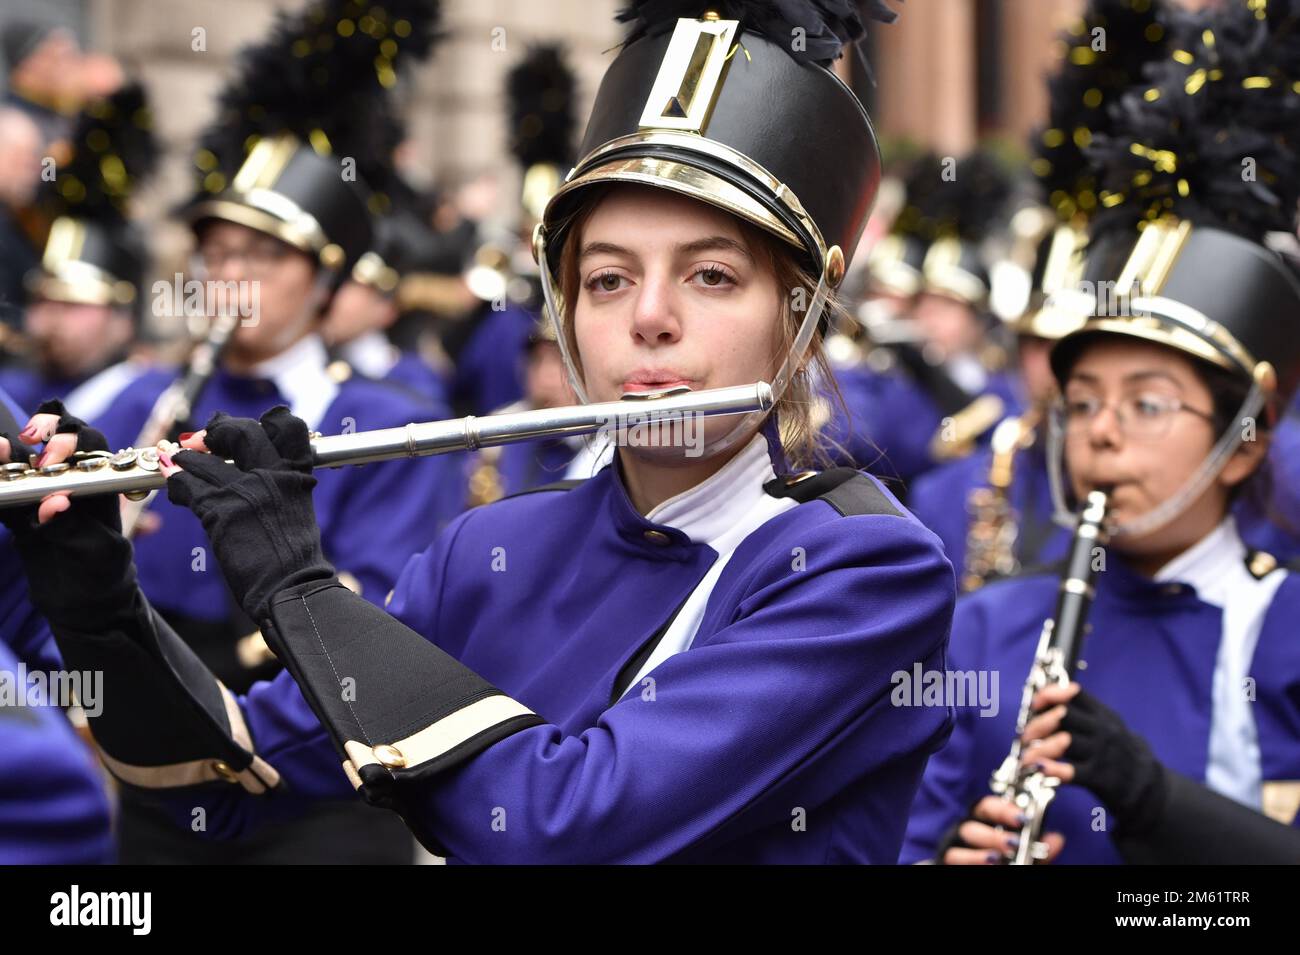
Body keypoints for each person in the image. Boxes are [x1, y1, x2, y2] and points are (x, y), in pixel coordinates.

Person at [0, 1, 961, 865]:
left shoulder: (862, 569)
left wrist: (299, 591)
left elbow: (565, 826)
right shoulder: (496, 547)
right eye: (608, 278)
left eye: (711, 276)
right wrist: (86, 605)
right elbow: (230, 776)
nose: (650, 319)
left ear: (800, 311)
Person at [902, 0, 1300, 864]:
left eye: (1147, 403)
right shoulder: (984, 630)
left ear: (1246, 442)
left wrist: (1150, 797)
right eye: (1081, 402)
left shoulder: (1290, 625)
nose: (1102, 435)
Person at [73, 0, 459, 864]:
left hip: (320, 776)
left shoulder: (391, 416)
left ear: (324, 280)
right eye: (216, 254)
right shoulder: (140, 396)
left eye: (262, 257)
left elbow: (387, 606)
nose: (230, 278)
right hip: (164, 777)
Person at [0, 83, 158, 419]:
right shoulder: (10, 388)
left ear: (122, 319)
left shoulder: (150, 400)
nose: (52, 320)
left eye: (73, 304)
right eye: (43, 301)